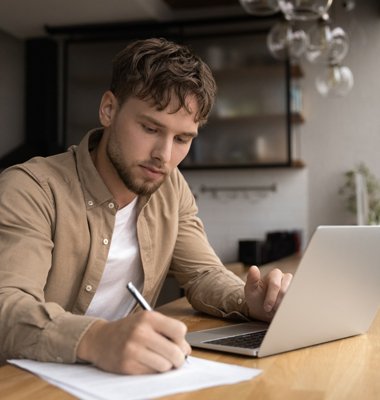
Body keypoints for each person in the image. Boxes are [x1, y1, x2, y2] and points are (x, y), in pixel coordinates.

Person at [0, 38, 292, 375]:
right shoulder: (30, 188)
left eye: (183, 139)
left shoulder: (170, 185)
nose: (164, 157)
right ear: (109, 109)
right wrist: (96, 338)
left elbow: (202, 275)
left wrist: (250, 301)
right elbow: (8, 306)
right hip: (29, 381)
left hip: (126, 378)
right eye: (150, 128)